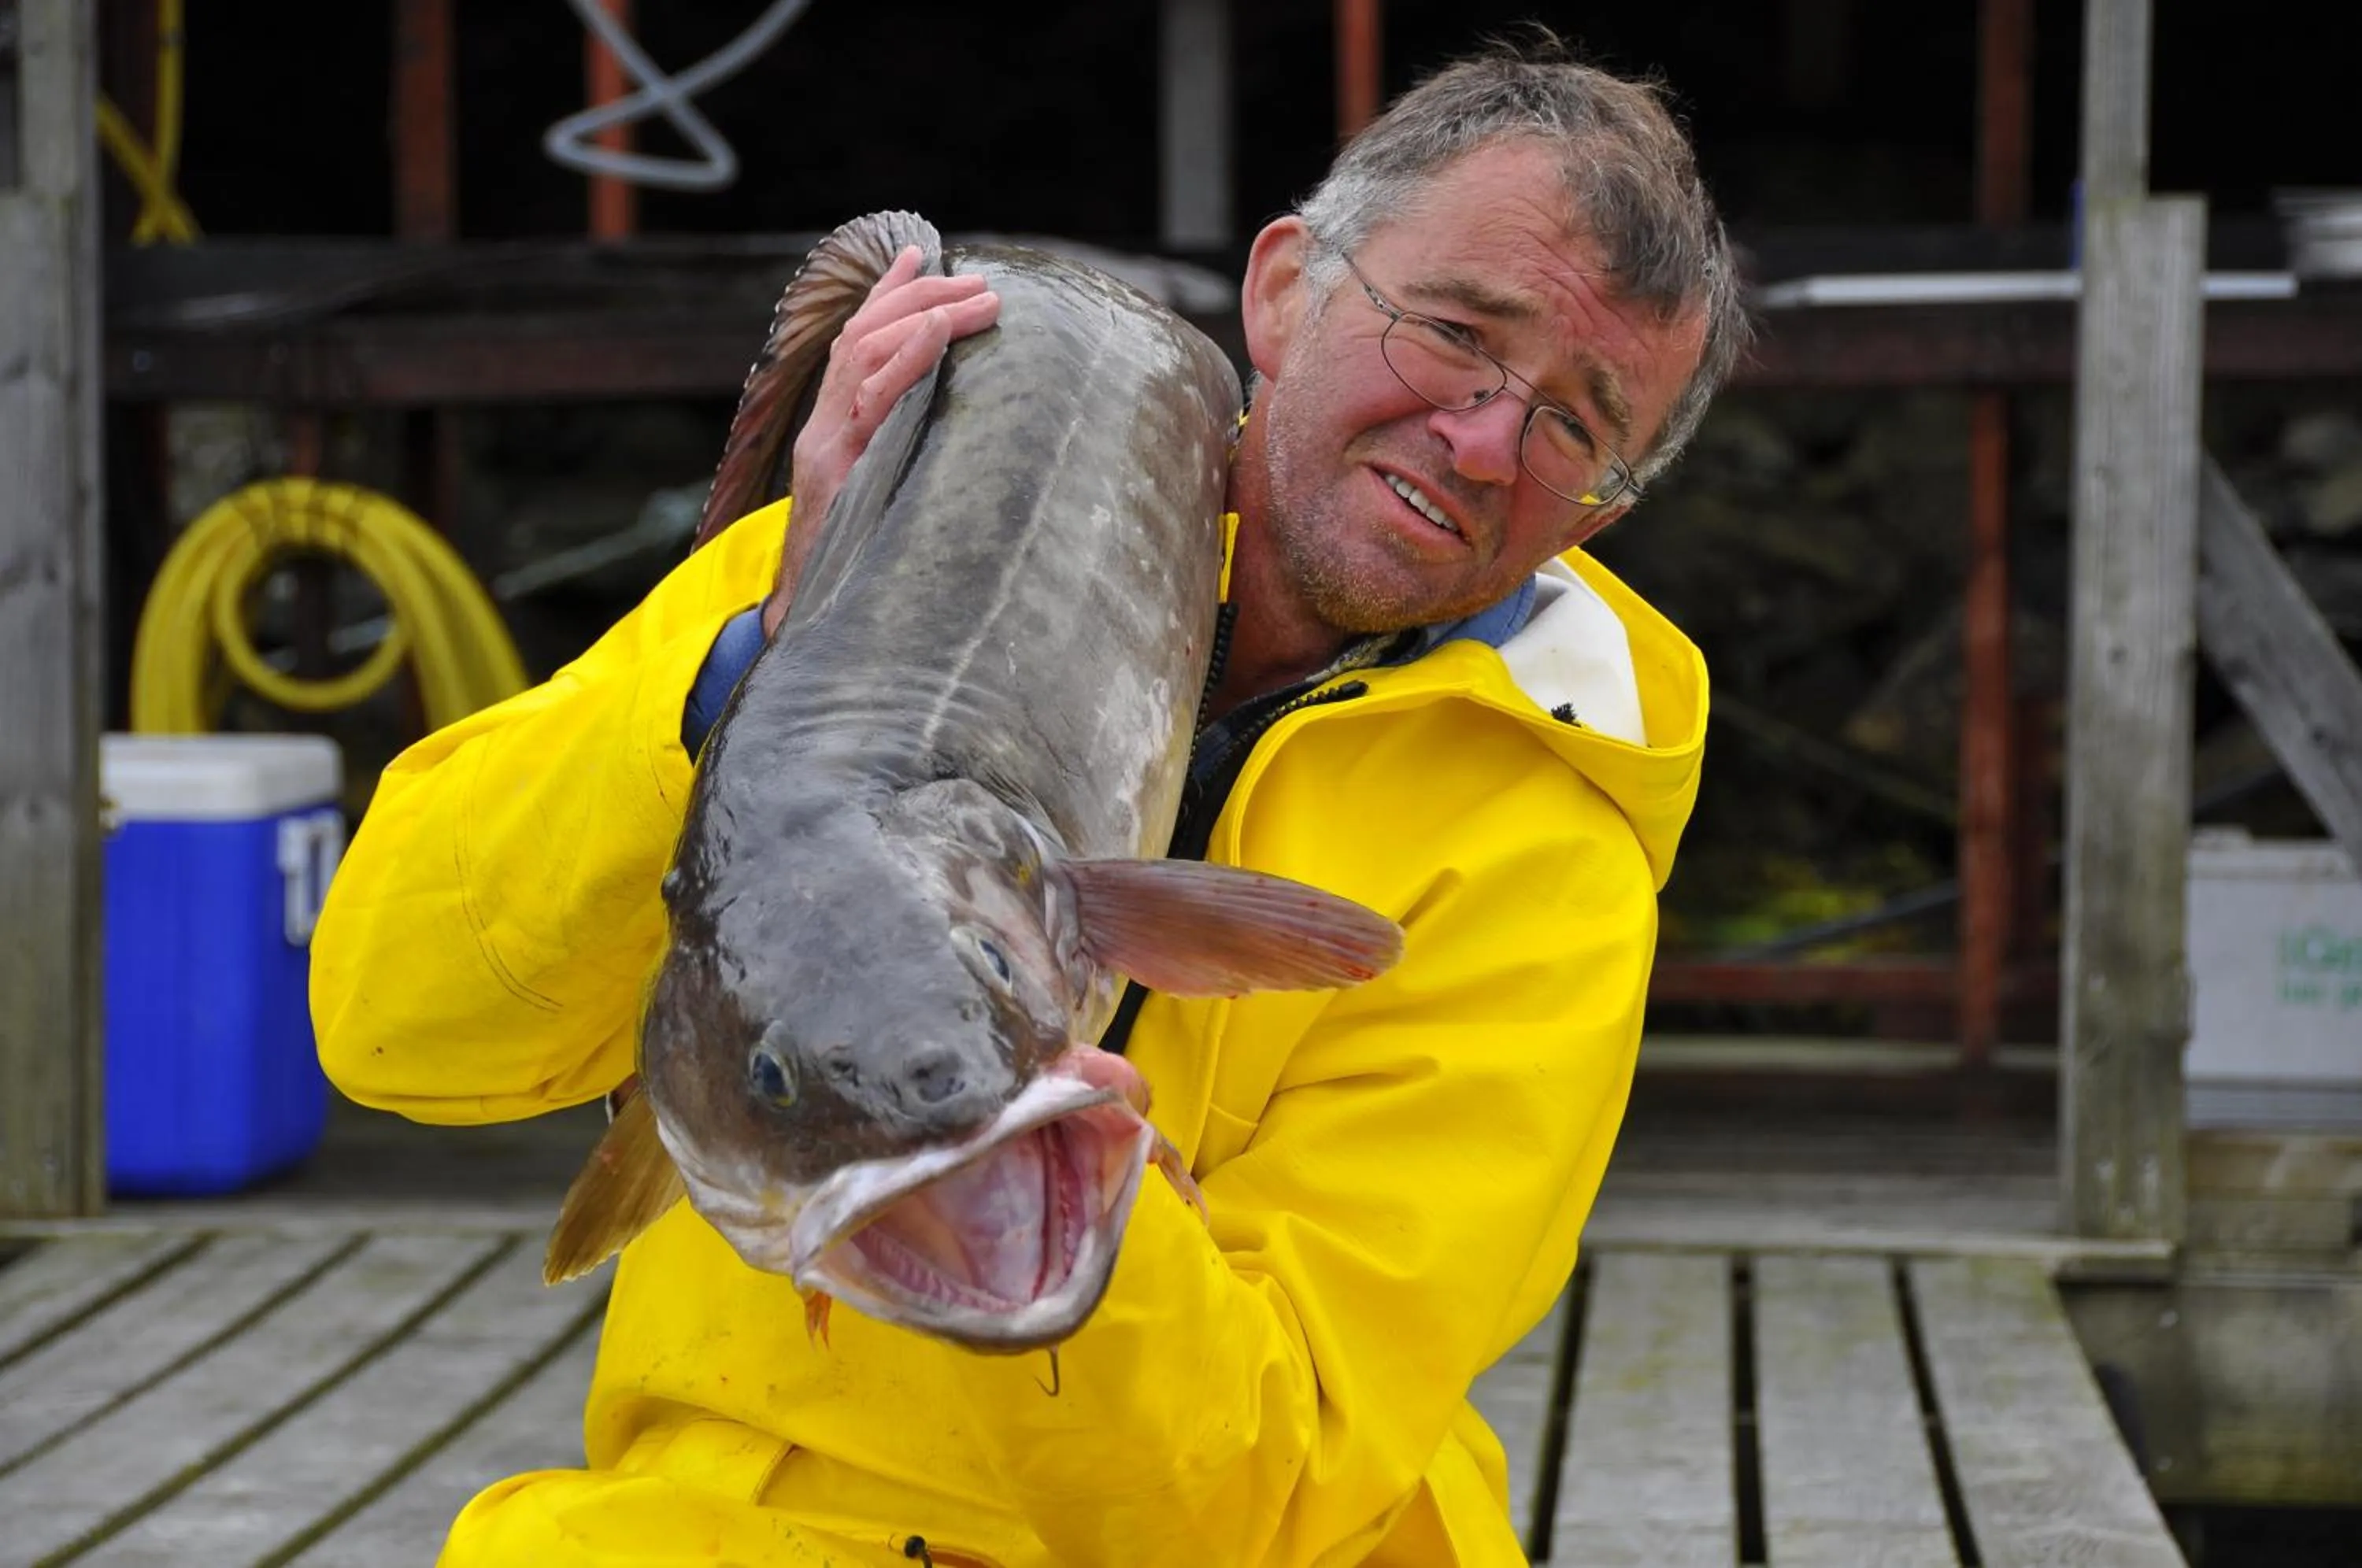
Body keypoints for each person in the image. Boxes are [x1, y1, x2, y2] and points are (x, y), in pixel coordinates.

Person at [312, 32, 1745, 1568]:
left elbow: (1263, 1487)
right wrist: (741, 682)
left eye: (1579, 424)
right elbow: (396, 1024)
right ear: (1283, 290)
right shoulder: (845, 579)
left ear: (1605, 499)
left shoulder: (1550, 865)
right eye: (1457, 335)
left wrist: (1065, 1204)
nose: (1482, 442)